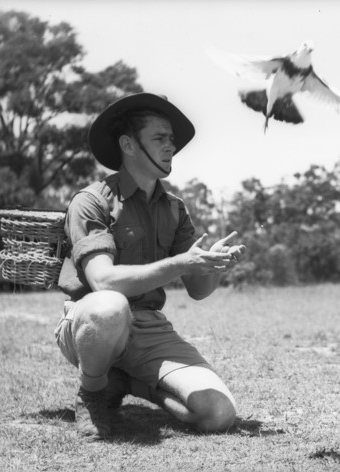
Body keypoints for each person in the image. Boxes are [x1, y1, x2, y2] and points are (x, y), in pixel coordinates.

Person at [55, 92, 245, 440]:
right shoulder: (91, 201)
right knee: (110, 306)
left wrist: (212, 268)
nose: (170, 147)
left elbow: (198, 291)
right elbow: (103, 282)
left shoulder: (174, 208)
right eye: (159, 138)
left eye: (171, 140)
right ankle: (93, 392)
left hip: (149, 328)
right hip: (91, 322)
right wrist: (181, 262)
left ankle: (132, 384)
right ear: (128, 144)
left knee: (218, 414)